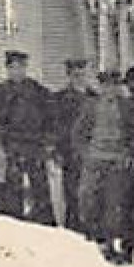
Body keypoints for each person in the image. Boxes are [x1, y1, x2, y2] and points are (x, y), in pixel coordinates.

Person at [77, 69, 134, 263]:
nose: (109, 89)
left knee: (114, 205)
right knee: (88, 201)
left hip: (117, 161)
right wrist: (85, 154)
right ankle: (98, 242)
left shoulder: (127, 106)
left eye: (113, 85)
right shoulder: (91, 106)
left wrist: (129, 153)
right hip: (94, 160)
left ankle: (113, 245)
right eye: (105, 85)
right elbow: (79, 133)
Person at [0, 50, 55, 225]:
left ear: (25, 68)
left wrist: (48, 142)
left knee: (40, 188)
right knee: (13, 189)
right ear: (7, 70)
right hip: (13, 146)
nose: (16, 72)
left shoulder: (38, 91)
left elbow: (50, 118)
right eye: (12, 68)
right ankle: (15, 224)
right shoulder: (0, 92)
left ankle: (45, 224)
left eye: (19, 67)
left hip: (35, 146)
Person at [48, 58, 96, 233]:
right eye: (75, 75)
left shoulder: (95, 97)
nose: (79, 78)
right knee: (72, 194)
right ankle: (74, 230)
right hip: (70, 153)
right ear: (69, 76)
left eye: (82, 74)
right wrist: (56, 150)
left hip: (92, 154)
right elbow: (56, 126)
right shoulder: (60, 99)